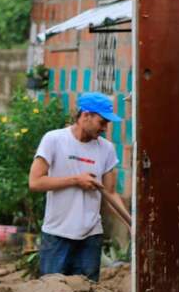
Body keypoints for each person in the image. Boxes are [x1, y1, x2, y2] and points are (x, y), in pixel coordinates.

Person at [28, 92, 128, 282]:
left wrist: (130, 223)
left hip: (90, 236)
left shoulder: (106, 149)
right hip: (57, 234)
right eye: (102, 122)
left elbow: (111, 193)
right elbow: (35, 182)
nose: (105, 128)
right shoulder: (54, 140)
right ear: (86, 115)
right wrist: (75, 180)